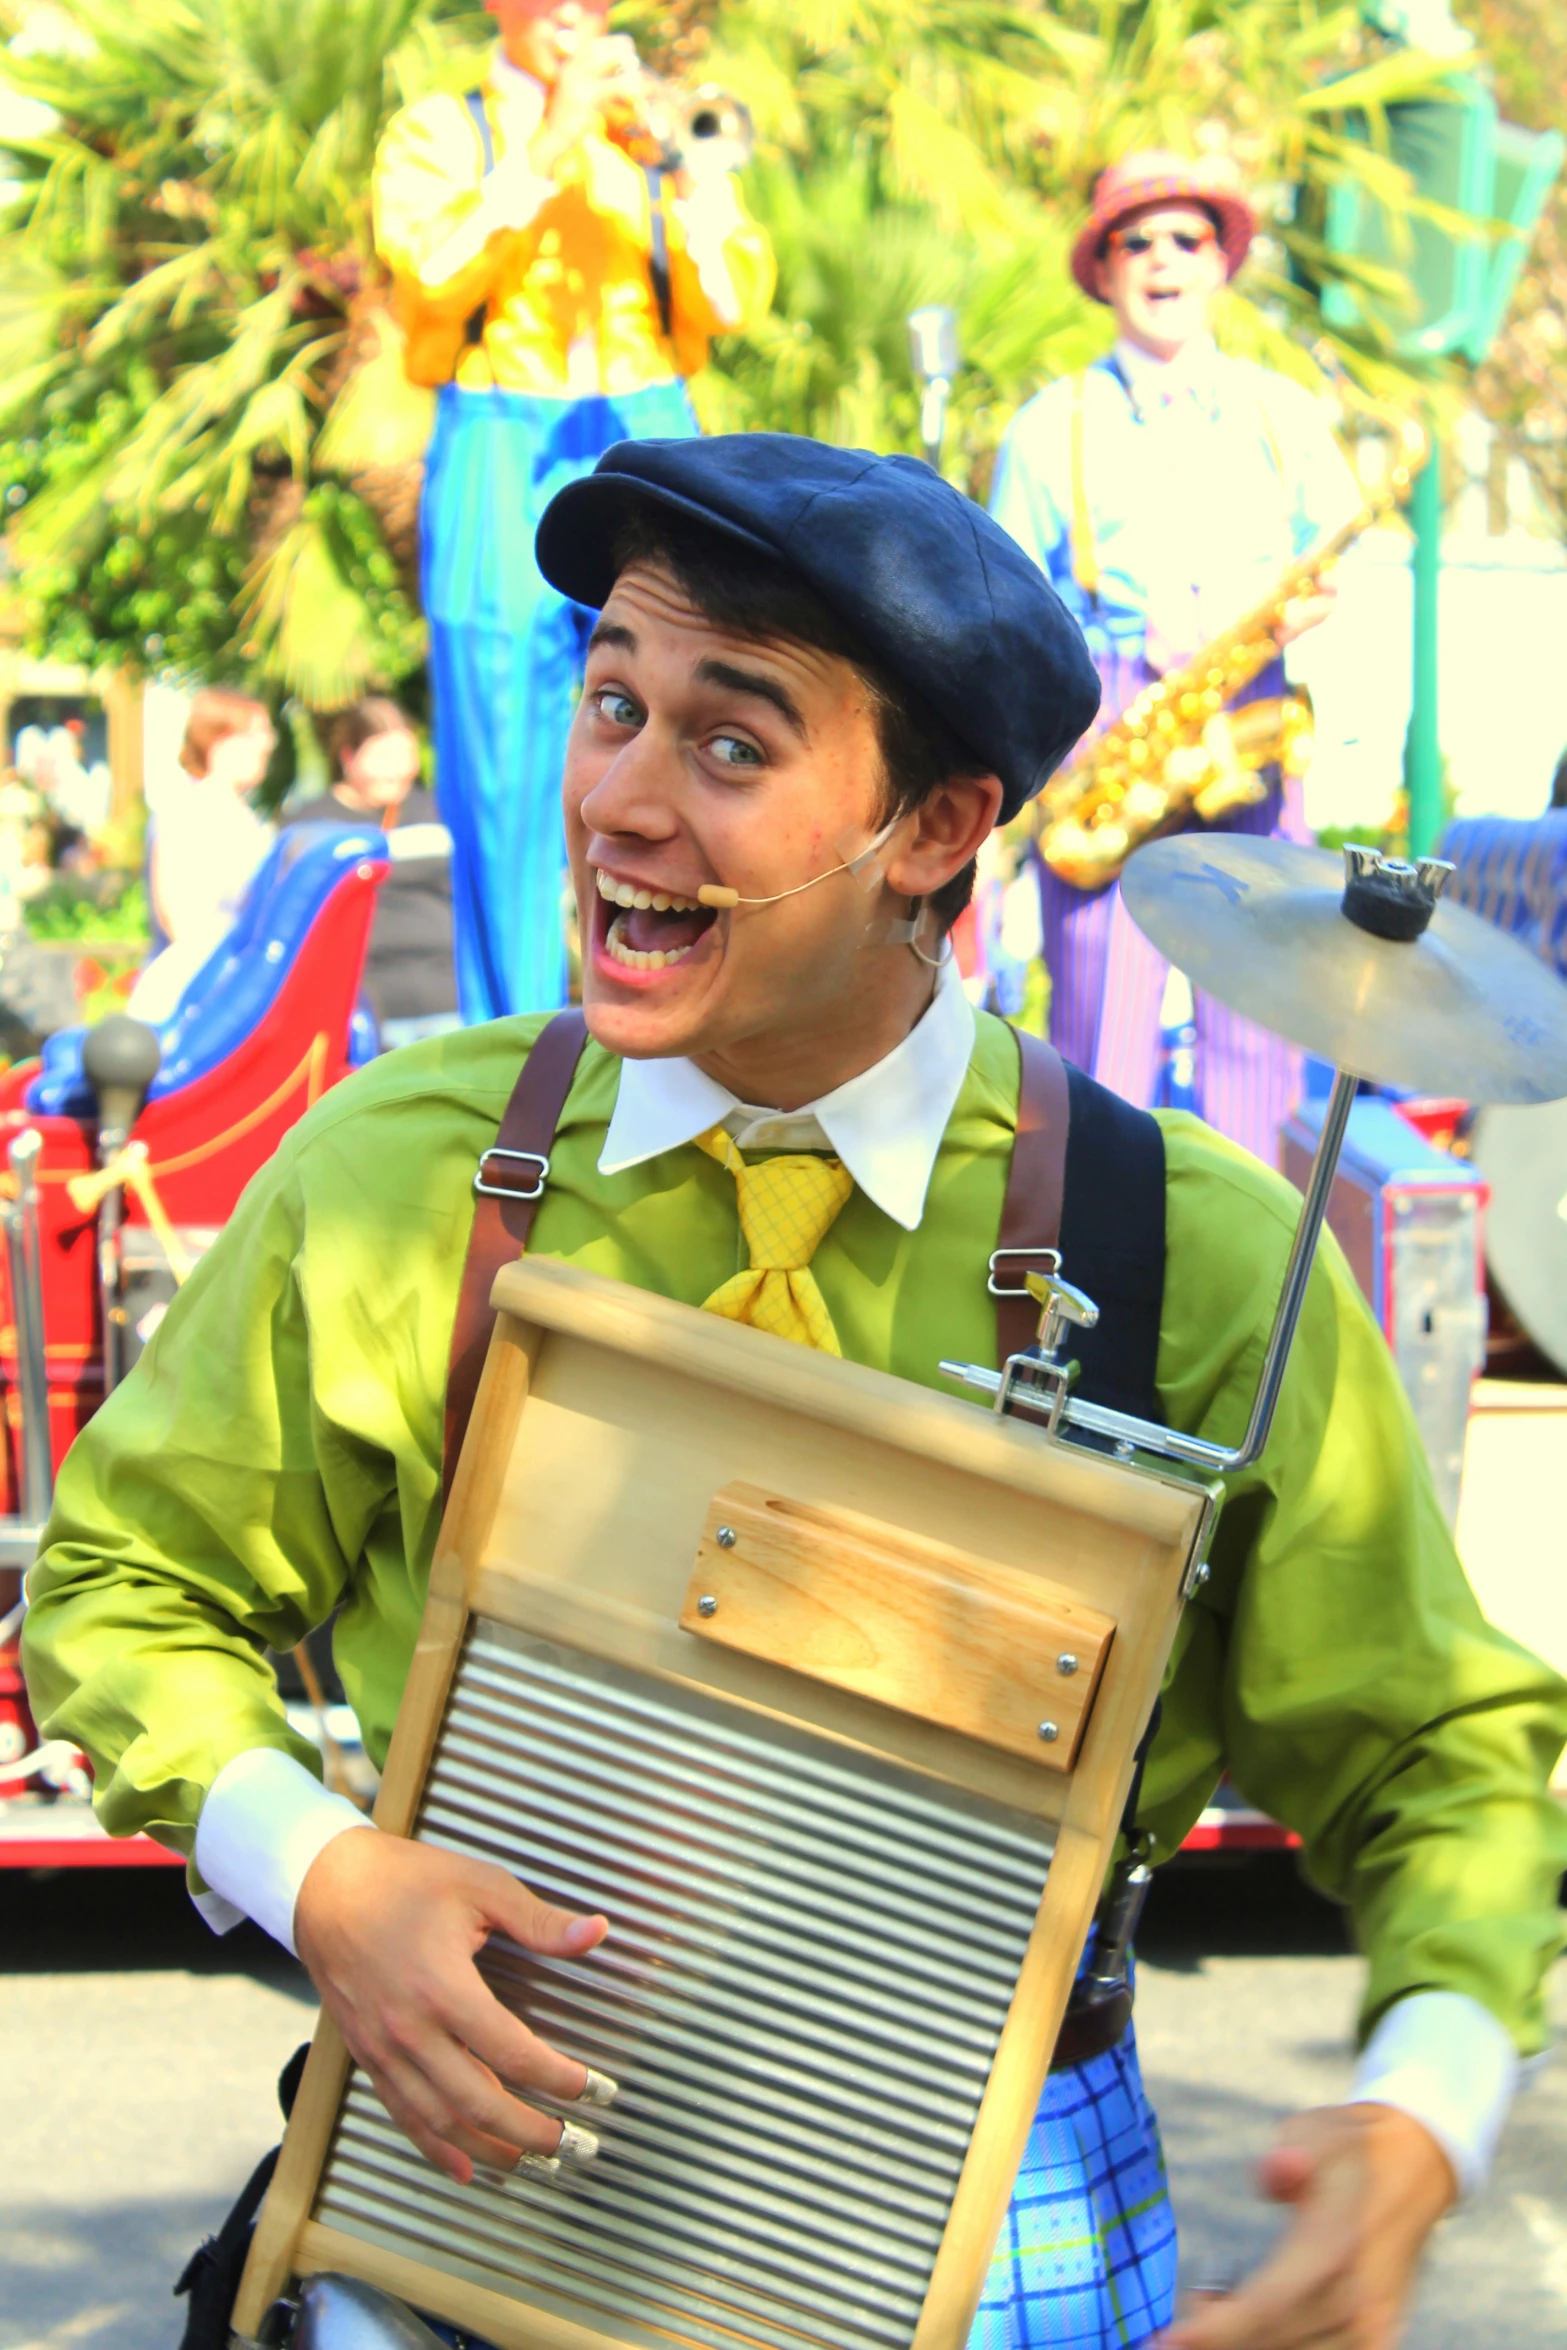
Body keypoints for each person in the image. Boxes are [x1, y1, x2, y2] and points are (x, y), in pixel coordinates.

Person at [21, 437, 1566, 2350]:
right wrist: (320, 1871)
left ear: (934, 830)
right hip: (472, 2216)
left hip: (1005, 2241)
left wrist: (1420, 2114)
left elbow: (1437, 1761)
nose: (623, 804)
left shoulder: (1193, 1255)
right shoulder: (407, 1178)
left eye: (730, 747)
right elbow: (123, 1593)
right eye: (610, 706)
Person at [374, 0, 774, 1026]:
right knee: (501, 774)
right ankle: (506, 1050)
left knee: (687, 728)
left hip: (646, 425)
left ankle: (683, 1025)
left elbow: (731, 301)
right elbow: (427, 274)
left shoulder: (645, 137)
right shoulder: (439, 130)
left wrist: (689, 174)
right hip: (496, 434)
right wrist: (551, 138)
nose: (573, 12)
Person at [990, 152, 1363, 1166]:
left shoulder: (1279, 412)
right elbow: (1007, 608)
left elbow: (1331, 562)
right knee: (1100, 1012)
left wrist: (1270, 619)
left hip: (1247, 698)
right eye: (1135, 239)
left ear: (1220, 264)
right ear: (1102, 270)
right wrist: (1114, 644)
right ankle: (1096, 1260)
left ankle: (1251, 1247)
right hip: (1109, 713)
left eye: (1185, 237)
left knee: (1259, 999)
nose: (1161, 258)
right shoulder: (1046, 425)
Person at [285, 698, 460, 1050]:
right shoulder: (310, 825)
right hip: (358, 1014)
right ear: (348, 756)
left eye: (404, 757)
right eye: (382, 758)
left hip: (446, 1004)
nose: (396, 771)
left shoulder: (436, 810)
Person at [129, 688, 276, 1025]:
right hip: (193, 1000)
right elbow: (181, 920)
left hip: (231, 992)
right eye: (255, 734)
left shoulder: (244, 816)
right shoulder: (187, 812)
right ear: (218, 741)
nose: (266, 745)